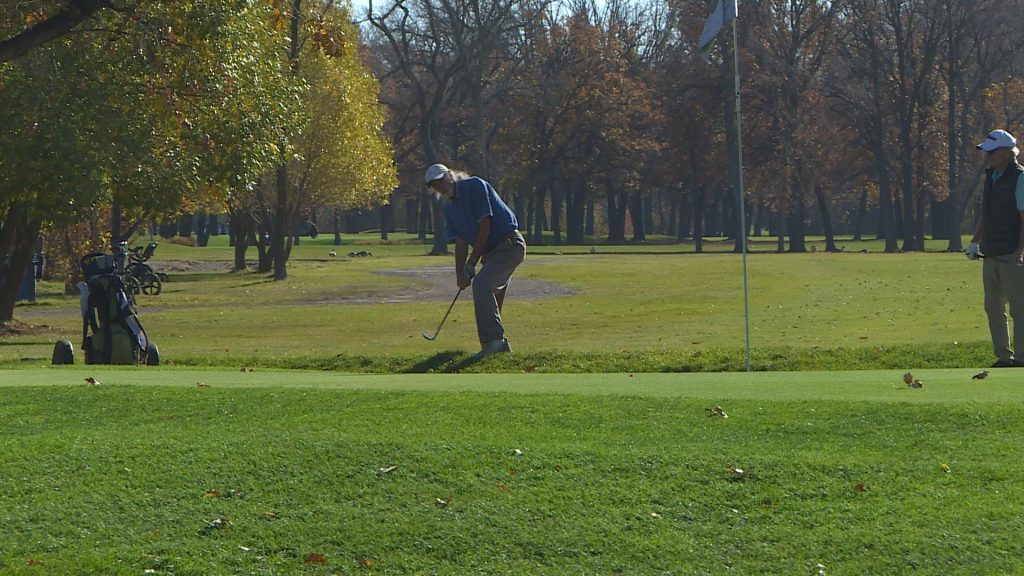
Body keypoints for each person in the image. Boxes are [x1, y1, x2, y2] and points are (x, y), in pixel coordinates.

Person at [424, 163, 526, 357]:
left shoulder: (475, 186)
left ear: (450, 175)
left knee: (481, 285)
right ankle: (497, 348)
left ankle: (494, 344)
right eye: (435, 185)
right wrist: (460, 272)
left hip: (509, 245)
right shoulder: (449, 208)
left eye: (441, 179)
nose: (440, 185)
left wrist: (471, 264)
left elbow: (485, 227)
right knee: (491, 295)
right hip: (491, 254)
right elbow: (461, 241)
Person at [967, 129, 1024, 367]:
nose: (987, 156)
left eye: (991, 152)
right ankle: (1004, 356)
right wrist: (975, 241)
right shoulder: (991, 176)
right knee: (993, 308)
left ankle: (1021, 357)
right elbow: (986, 215)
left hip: (1011, 253)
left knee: (1019, 309)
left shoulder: (1020, 177)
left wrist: (1020, 252)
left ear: (1006, 153)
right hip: (991, 252)